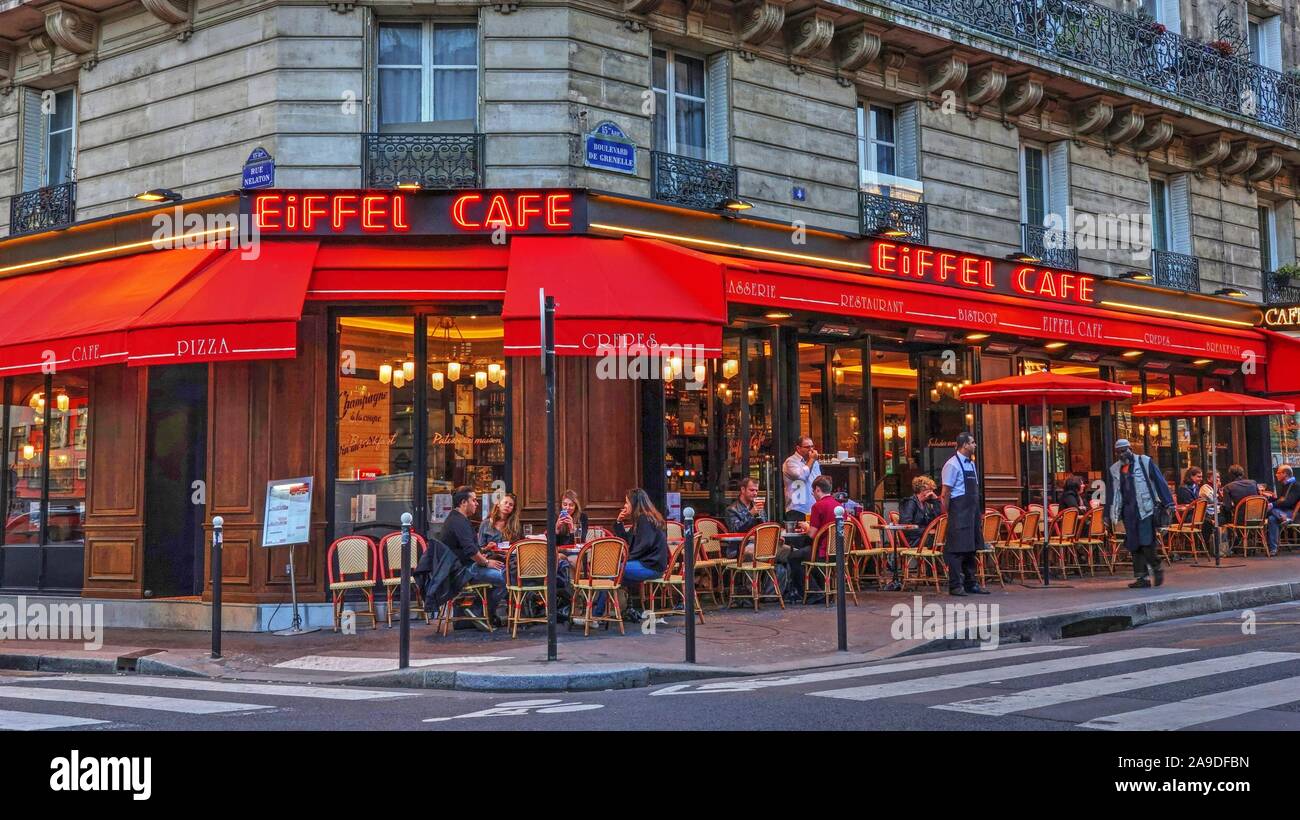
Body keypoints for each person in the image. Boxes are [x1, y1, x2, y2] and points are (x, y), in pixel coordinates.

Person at [1105, 439, 1175, 589]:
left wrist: (1168, 503)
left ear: (1130, 448)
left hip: (1145, 509)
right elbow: (1111, 493)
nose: (1122, 454)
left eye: (1124, 450)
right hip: (1127, 512)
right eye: (1119, 452)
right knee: (1134, 544)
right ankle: (1141, 578)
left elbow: (1159, 481)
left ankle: (1156, 566)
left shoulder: (1144, 462)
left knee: (1146, 541)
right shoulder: (1114, 469)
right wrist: (1107, 514)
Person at [438, 485, 507, 627]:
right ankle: (479, 612)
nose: (477, 503)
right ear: (464, 502)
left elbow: (467, 548)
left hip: (461, 568)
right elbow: (470, 551)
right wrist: (487, 562)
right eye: (474, 500)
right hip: (462, 572)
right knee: (506, 577)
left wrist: (484, 549)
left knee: (503, 573)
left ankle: (481, 613)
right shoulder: (458, 521)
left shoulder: (457, 519)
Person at [941, 432, 988, 596]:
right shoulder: (951, 465)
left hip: (972, 510)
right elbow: (945, 492)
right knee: (956, 549)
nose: (975, 445)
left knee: (971, 548)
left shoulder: (972, 464)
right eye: (973, 442)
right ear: (964, 445)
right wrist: (948, 511)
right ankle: (955, 585)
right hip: (958, 510)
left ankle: (971, 583)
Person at [612, 488, 669, 622]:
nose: (624, 506)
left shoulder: (645, 519)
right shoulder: (641, 520)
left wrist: (625, 561)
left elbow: (644, 546)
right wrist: (619, 523)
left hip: (650, 566)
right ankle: (612, 611)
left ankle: (599, 613)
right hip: (650, 565)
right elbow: (627, 543)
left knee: (612, 572)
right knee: (612, 574)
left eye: (627, 502)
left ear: (634, 503)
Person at [783, 436, 822, 522]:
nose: (811, 450)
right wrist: (811, 460)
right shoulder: (790, 462)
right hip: (797, 509)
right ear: (798, 448)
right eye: (807, 447)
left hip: (813, 507)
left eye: (812, 447)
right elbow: (802, 477)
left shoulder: (814, 462)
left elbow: (818, 481)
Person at [899, 475, 942, 549]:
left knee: (942, 538)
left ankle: (937, 560)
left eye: (932, 490)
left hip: (923, 537)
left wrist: (935, 501)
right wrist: (926, 531)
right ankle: (936, 560)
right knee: (938, 541)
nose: (931, 493)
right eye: (929, 490)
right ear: (921, 490)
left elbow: (937, 519)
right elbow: (906, 526)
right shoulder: (910, 503)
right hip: (913, 539)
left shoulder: (926, 504)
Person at [1266, 465, 1300, 556]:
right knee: (1272, 519)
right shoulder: (1285, 485)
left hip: (1293, 513)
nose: (1276, 475)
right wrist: (1270, 499)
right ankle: (1274, 549)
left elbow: (1288, 502)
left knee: (1270, 511)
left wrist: (1272, 504)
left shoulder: (1296, 485)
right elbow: (1281, 500)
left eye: (1278, 473)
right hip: (1283, 512)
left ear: (1285, 474)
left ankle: (1283, 517)